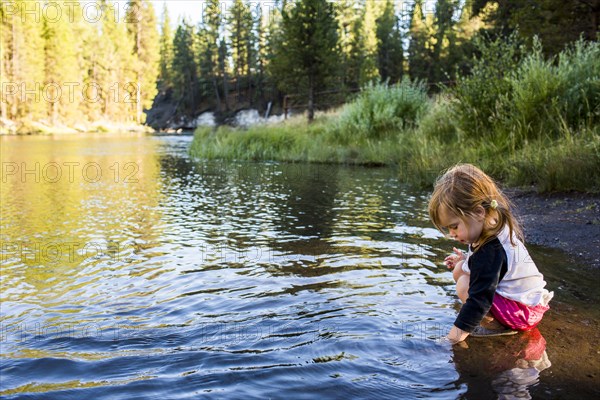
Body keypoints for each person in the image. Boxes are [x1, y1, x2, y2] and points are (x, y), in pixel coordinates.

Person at [428, 164, 553, 344]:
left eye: (454, 226)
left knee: (464, 285)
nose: (452, 234)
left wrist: (451, 339)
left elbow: (478, 300)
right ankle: (495, 320)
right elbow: (495, 270)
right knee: (459, 270)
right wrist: (465, 261)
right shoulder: (492, 228)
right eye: (448, 229)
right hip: (527, 305)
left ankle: (497, 327)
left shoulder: (490, 250)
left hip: (523, 314)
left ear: (479, 212)